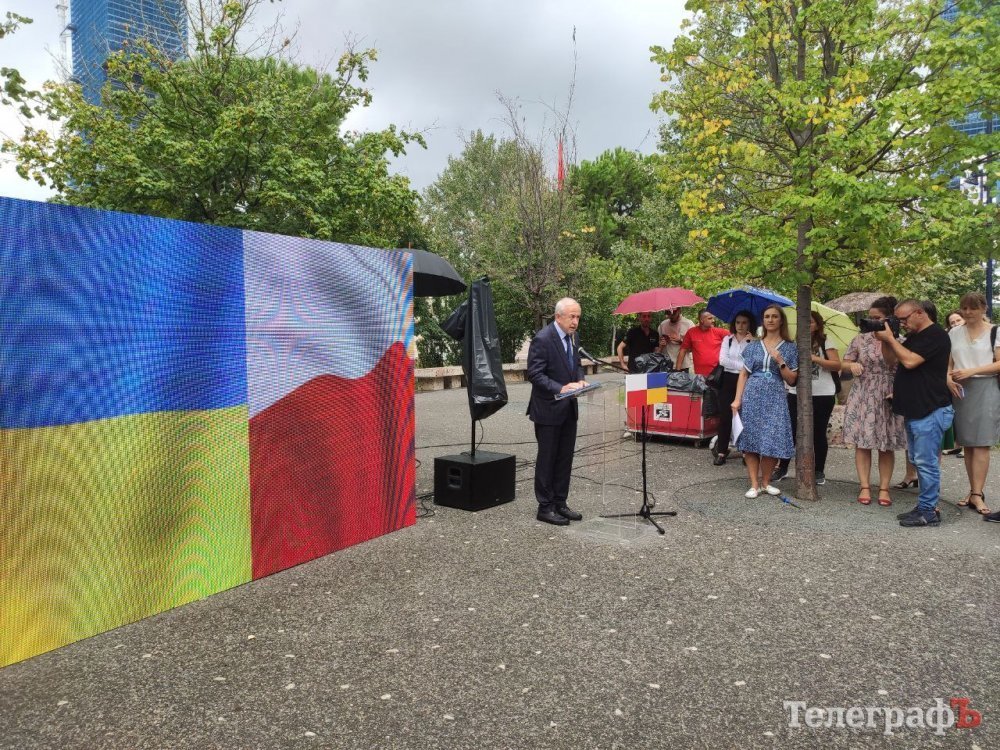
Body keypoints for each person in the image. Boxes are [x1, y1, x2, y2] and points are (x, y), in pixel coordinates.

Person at [875, 299, 953, 527]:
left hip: (930, 408)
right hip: (916, 408)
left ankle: (929, 511)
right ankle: (925, 505)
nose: (902, 324)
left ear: (919, 312)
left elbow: (909, 362)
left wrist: (891, 339)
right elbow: (891, 361)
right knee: (919, 460)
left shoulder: (936, 335)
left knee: (926, 463)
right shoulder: (915, 336)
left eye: (904, 319)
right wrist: (886, 340)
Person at [839, 296, 908, 507]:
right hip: (863, 392)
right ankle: (865, 486)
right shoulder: (860, 339)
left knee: (885, 444)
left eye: (877, 318)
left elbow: (895, 362)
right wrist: (851, 366)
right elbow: (844, 362)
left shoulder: (901, 341)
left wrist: (887, 339)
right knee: (863, 442)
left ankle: (884, 488)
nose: (871, 321)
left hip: (888, 392)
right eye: (870, 317)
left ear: (889, 319)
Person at [526, 298, 588, 526]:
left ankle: (560, 502)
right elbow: (534, 374)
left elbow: (577, 364)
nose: (575, 322)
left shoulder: (573, 338)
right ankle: (545, 507)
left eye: (578, 317)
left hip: (569, 408)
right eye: (572, 317)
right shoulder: (543, 339)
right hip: (548, 409)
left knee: (564, 458)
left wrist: (580, 381)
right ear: (558, 316)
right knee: (548, 458)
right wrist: (560, 388)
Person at [732, 304, 799, 498]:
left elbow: (792, 380)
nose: (770, 320)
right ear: (763, 320)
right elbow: (743, 374)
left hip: (775, 396)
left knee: (772, 439)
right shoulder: (753, 346)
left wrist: (780, 361)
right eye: (767, 316)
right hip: (752, 395)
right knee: (751, 439)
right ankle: (754, 484)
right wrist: (737, 400)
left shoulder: (790, 347)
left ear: (781, 320)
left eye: (774, 316)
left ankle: (766, 482)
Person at [772, 310, 841, 486]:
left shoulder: (826, 342)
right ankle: (782, 467)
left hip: (822, 393)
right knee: (791, 431)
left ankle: (818, 471)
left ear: (817, 325)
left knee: (818, 432)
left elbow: (836, 365)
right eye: (803, 322)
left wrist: (814, 358)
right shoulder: (793, 344)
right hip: (796, 392)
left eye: (810, 322)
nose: (806, 325)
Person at [947, 292, 1000, 517]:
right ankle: (973, 490)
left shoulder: (995, 331)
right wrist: (948, 378)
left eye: (973, 308)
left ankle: (978, 493)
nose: (968, 312)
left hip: (985, 387)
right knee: (968, 443)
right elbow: (948, 363)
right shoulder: (954, 332)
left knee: (981, 443)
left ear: (983, 309)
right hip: (960, 390)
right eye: (964, 308)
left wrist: (972, 371)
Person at [712, 310, 757, 466]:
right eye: (738, 322)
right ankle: (721, 451)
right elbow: (723, 361)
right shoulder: (728, 339)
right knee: (725, 416)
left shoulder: (754, 342)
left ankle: (745, 452)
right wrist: (743, 366)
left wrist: (752, 344)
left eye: (744, 322)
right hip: (727, 380)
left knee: (745, 416)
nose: (740, 325)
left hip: (746, 380)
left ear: (750, 324)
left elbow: (754, 363)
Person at [675, 309, 729, 376]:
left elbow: (736, 337)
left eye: (713, 318)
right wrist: (677, 371)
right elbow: (683, 350)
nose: (713, 320)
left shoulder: (719, 332)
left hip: (717, 374)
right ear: (701, 320)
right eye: (710, 318)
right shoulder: (691, 332)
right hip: (700, 374)